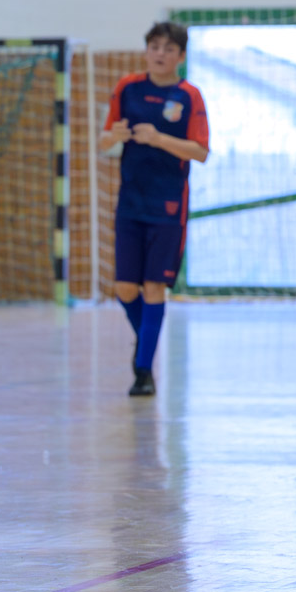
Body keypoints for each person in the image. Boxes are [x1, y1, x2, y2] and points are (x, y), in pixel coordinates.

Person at [98, 21, 210, 397]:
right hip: (130, 201)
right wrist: (113, 137)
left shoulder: (189, 96)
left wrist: (159, 138)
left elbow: (200, 152)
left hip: (168, 204)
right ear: (146, 51)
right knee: (125, 288)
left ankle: (143, 371)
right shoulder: (127, 87)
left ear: (181, 56)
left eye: (168, 49)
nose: (160, 54)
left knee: (153, 286)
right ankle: (145, 339)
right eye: (154, 47)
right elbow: (104, 139)